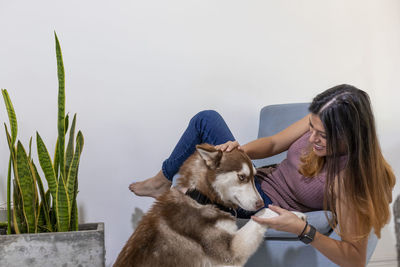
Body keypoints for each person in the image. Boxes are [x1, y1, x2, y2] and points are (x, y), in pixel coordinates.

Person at [129, 84, 395, 267]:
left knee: (187, 202)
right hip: (257, 178)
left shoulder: (349, 182)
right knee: (206, 119)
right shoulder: (322, 118)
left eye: (322, 136)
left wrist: (304, 230)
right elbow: (272, 144)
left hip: (264, 204)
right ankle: (161, 180)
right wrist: (237, 151)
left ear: (351, 135)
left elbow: (354, 258)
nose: (312, 137)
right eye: (311, 128)